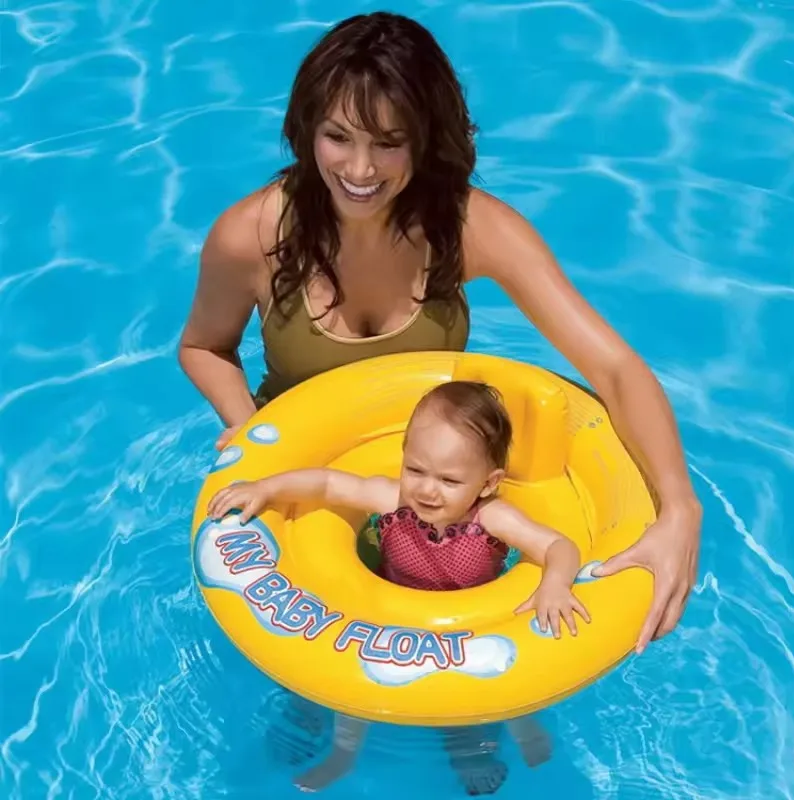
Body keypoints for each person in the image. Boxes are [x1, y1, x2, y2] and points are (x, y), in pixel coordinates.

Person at [178, 10, 700, 661]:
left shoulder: (471, 229)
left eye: (389, 142)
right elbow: (203, 348)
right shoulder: (253, 236)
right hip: (313, 487)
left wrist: (681, 511)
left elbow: (615, 368)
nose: (360, 169)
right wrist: (247, 427)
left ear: (425, 139)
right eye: (338, 137)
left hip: (442, 484)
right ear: (306, 128)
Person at [207, 380, 587, 793]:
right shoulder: (393, 501)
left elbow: (558, 545)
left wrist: (555, 583)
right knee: (351, 692)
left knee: (478, 699)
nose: (426, 489)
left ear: (488, 483)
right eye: (416, 469)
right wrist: (265, 488)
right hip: (386, 617)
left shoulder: (492, 518)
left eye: (449, 480)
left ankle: (483, 748)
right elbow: (329, 484)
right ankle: (341, 757)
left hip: (470, 624)